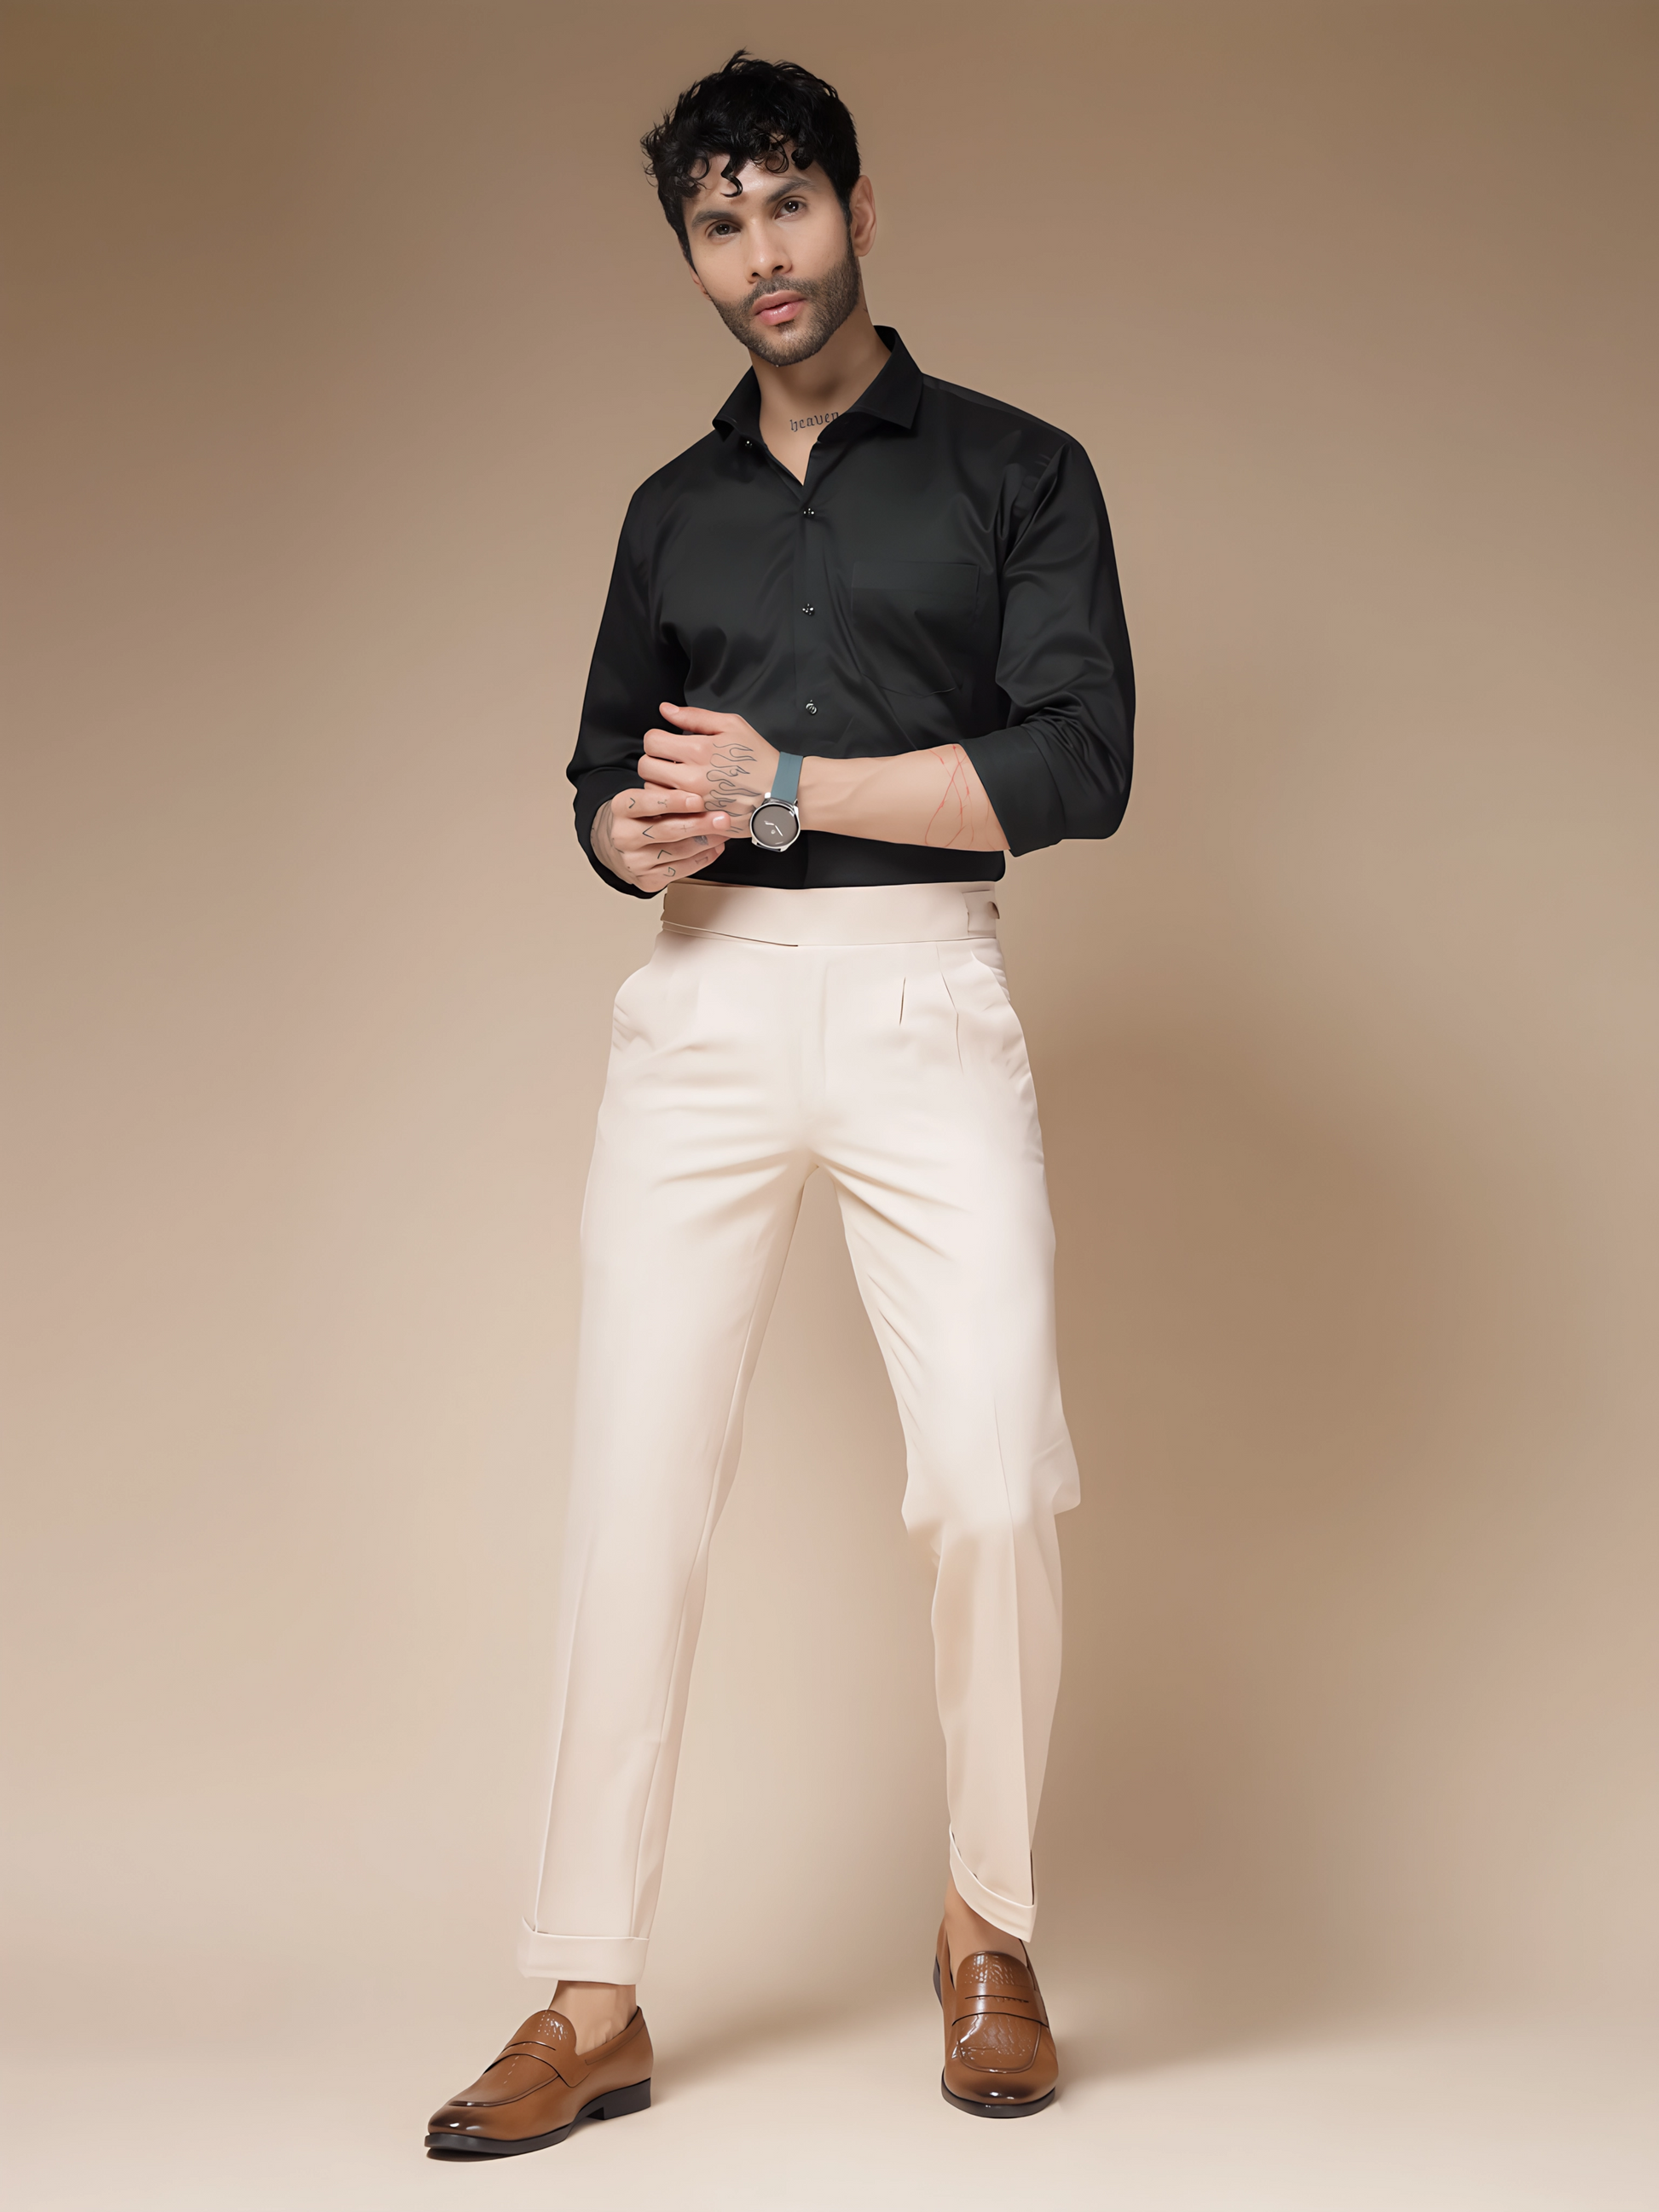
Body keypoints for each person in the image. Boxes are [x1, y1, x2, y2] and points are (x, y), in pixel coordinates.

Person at [425, 50, 1133, 2157]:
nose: (762, 258)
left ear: (859, 209)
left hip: (925, 993)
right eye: (719, 226)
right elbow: (599, 775)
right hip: (705, 1005)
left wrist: (793, 785)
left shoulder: (1016, 470)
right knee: (634, 1487)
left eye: (789, 207)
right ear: (696, 255)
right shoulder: (672, 509)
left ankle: (988, 1928)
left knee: (991, 1477)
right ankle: (588, 1991)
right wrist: (630, 836)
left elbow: (1079, 762)